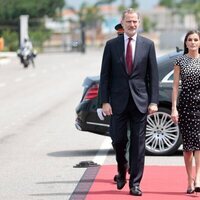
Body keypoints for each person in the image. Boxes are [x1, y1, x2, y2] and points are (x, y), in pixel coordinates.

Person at [99, 8, 159, 196]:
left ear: (138, 23)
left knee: (138, 143)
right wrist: (104, 101)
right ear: (122, 23)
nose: (132, 25)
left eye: (135, 22)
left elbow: (153, 76)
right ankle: (121, 168)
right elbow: (105, 75)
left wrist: (153, 101)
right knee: (118, 140)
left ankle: (135, 183)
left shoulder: (148, 45)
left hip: (140, 101)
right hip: (117, 102)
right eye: (128, 22)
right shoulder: (111, 45)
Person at [171, 30, 200, 194]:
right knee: (188, 147)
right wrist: (174, 108)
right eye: (190, 39)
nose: (193, 42)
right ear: (186, 43)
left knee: (199, 143)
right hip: (186, 106)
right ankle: (189, 180)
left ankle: (198, 179)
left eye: (196, 39)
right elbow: (175, 86)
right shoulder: (180, 60)